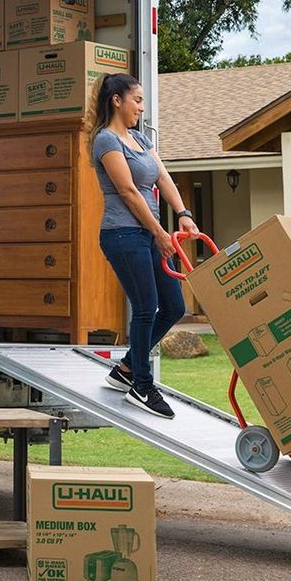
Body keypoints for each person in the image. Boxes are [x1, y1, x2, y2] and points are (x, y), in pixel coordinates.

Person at [90, 72, 198, 419]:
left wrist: (182, 212)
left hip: (149, 233)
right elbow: (128, 192)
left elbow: (162, 176)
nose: (141, 107)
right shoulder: (106, 141)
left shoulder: (139, 138)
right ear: (117, 101)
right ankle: (141, 384)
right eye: (137, 99)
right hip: (123, 234)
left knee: (173, 306)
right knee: (146, 306)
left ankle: (125, 369)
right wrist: (158, 232)